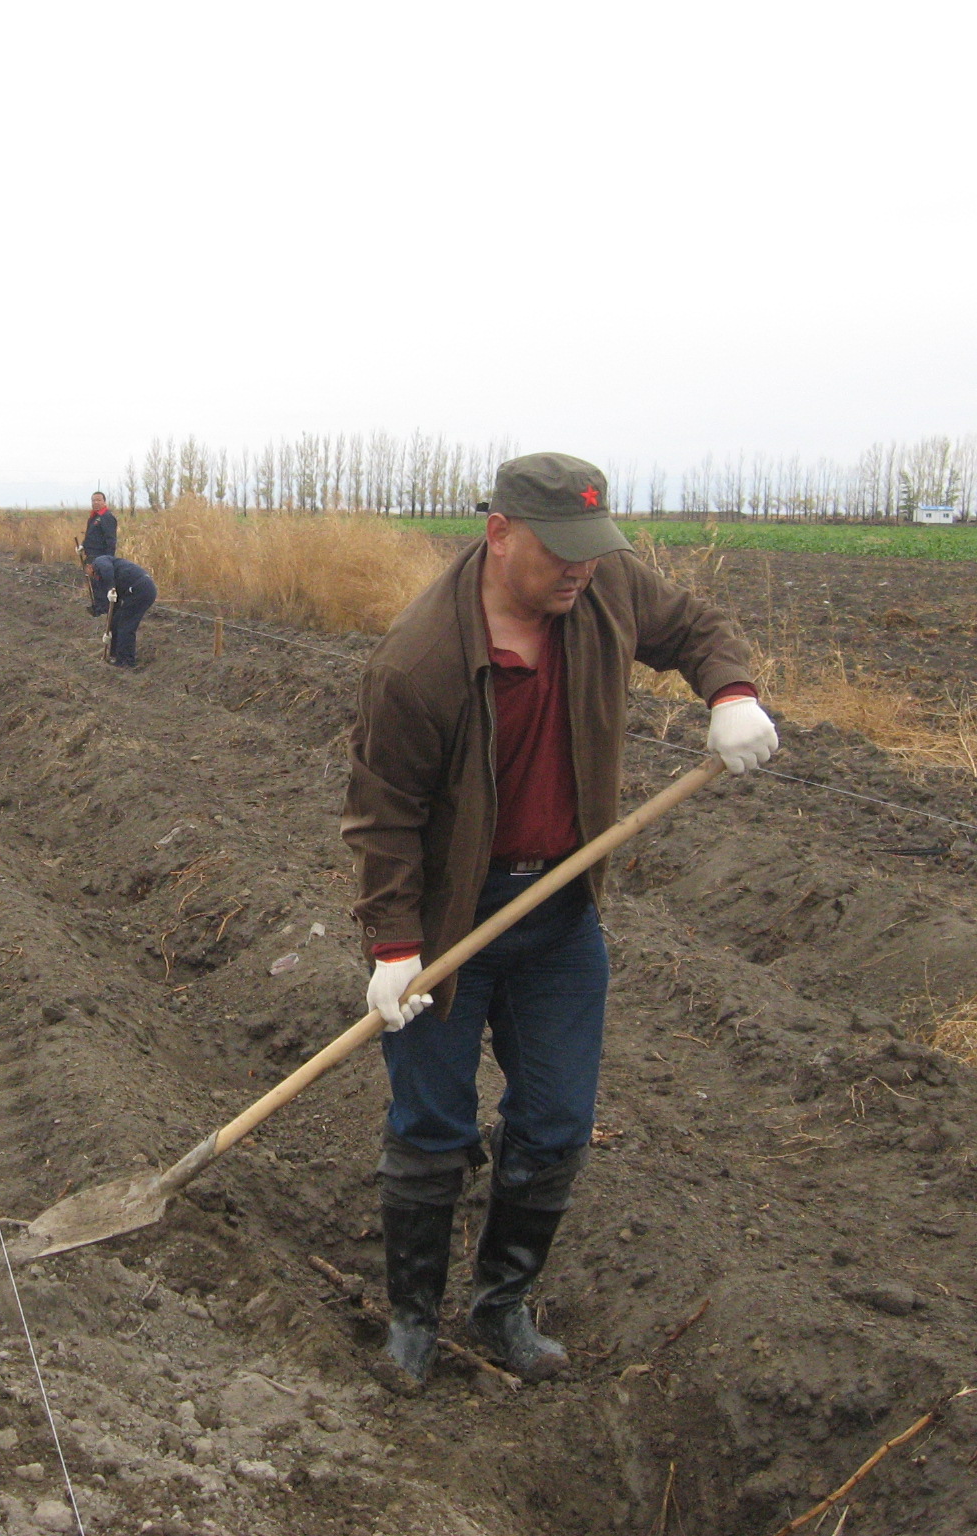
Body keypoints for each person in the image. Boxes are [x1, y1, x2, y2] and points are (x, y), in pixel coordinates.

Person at [342, 452, 778, 1384]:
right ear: (500, 533)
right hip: (452, 919)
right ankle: (413, 1320)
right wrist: (393, 948)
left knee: (556, 1123)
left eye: (593, 548)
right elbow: (384, 816)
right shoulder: (419, 660)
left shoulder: (604, 587)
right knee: (431, 1123)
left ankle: (502, 1307)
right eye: (561, 552)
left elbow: (695, 627)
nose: (581, 568)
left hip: (561, 910)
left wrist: (730, 691)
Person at [87, 553, 156, 668]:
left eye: (87, 572)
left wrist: (111, 588)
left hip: (141, 590)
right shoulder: (101, 577)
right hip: (134, 593)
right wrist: (109, 627)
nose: (89, 576)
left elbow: (107, 570)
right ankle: (115, 655)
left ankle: (127, 662)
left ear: (89, 566)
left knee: (126, 625)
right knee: (116, 622)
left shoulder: (100, 562)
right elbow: (114, 604)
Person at [80, 491, 118, 563]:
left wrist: (108, 560)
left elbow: (111, 541)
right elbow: (90, 535)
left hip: (101, 557)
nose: (96, 502)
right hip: (90, 556)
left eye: (99, 500)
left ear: (104, 502)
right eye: (93, 500)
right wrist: (83, 545)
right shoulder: (93, 517)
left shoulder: (107, 517)